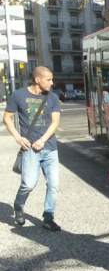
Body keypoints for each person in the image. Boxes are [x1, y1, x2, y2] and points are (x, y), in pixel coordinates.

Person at [3, 66, 62, 231]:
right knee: (28, 184)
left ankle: (48, 217)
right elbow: (7, 118)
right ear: (38, 79)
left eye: (52, 79)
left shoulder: (53, 98)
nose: (52, 82)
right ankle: (18, 205)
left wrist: (43, 140)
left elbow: (55, 122)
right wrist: (17, 137)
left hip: (50, 148)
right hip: (29, 149)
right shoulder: (18, 95)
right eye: (49, 79)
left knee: (54, 185)